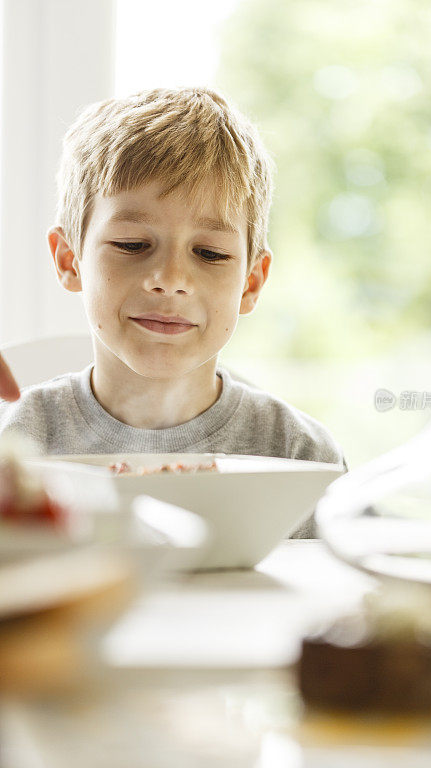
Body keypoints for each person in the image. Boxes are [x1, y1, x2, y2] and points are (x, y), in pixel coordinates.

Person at [0, 87, 346, 537]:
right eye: (132, 245)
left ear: (252, 282)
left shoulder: (299, 455)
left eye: (210, 253)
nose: (170, 278)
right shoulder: (16, 444)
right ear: (69, 259)